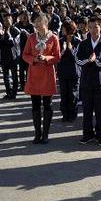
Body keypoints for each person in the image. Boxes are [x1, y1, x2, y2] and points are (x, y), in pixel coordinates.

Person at [22, 12, 61, 144]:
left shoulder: (53, 38)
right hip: (34, 73)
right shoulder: (31, 37)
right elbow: (25, 55)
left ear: (45, 21)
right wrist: (33, 59)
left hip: (47, 73)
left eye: (39, 21)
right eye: (35, 21)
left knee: (48, 104)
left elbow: (57, 56)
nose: (37, 24)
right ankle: (37, 134)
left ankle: (46, 134)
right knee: (35, 105)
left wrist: (46, 58)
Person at [75, 16, 101, 146]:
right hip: (86, 81)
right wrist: (88, 60)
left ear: (100, 27)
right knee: (86, 111)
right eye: (90, 27)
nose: (92, 30)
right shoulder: (83, 43)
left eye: (95, 27)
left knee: (100, 111)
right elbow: (78, 60)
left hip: (100, 82)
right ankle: (87, 135)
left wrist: (96, 60)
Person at [58, 20, 81, 122]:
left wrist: (71, 50)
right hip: (63, 71)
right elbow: (57, 56)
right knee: (64, 94)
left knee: (73, 94)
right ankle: (65, 114)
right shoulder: (60, 40)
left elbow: (78, 58)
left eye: (64, 28)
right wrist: (62, 51)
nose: (62, 30)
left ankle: (72, 114)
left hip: (74, 72)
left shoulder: (78, 41)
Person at [0, 13, 21, 100]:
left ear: (12, 20)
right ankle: (8, 92)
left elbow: (14, 43)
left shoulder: (16, 30)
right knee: (5, 76)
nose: (6, 22)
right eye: (4, 20)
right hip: (4, 56)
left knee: (14, 75)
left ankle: (14, 93)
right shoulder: (1, 30)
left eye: (8, 20)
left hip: (13, 56)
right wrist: (1, 35)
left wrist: (8, 35)